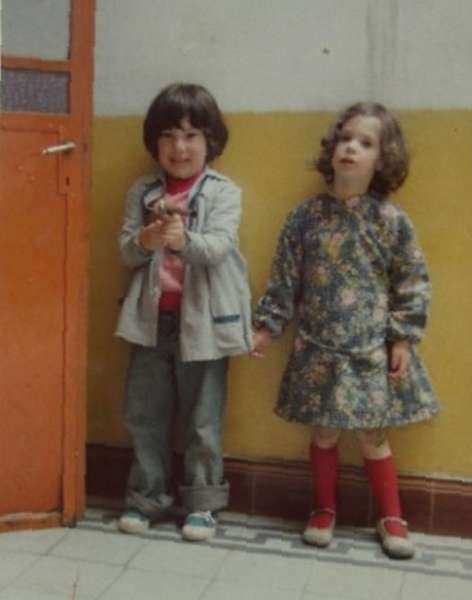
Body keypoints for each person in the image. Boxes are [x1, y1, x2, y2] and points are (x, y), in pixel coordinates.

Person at [251, 102, 438, 559]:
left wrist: (402, 337)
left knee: (374, 437)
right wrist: (267, 327)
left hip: (369, 351)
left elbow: (411, 281)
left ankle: (391, 516)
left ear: (382, 159)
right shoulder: (305, 217)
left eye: (366, 142)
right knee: (324, 433)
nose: (351, 147)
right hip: (318, 348)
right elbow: (284, 280)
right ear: (332, 149)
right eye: (346, 138)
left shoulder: (391, 221)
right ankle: (323, 509)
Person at [115, 83, 252, 542]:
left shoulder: (224, 192)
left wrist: (182, 240)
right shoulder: (142, 191)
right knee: (145, 415)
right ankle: (146, 498)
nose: (180, 147)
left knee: (203, 419)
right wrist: (146, 240)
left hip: (206, 327)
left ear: (210, 141)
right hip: (150, 323)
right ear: (155, 142)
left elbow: (218, 248)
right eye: (169, 136)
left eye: (191, 136)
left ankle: (202, 505)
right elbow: (126, 252)